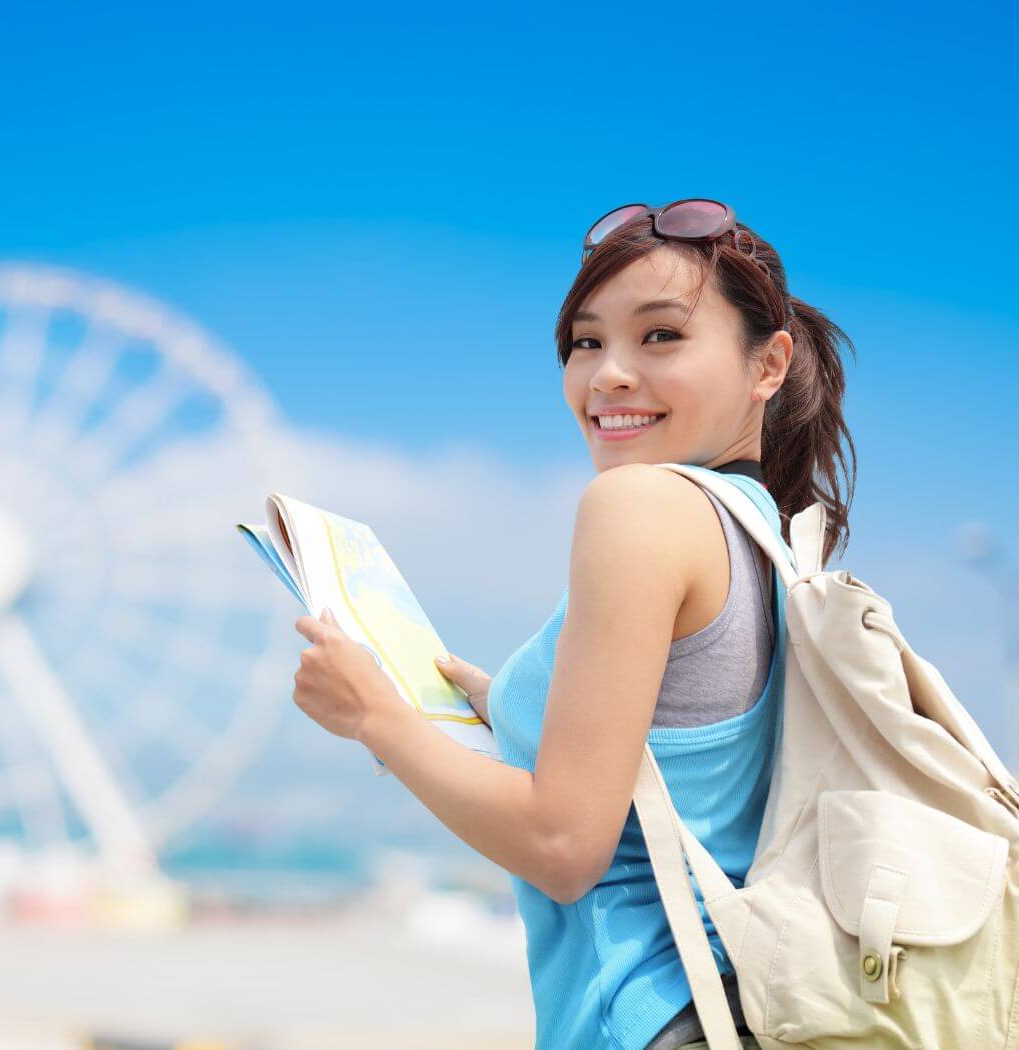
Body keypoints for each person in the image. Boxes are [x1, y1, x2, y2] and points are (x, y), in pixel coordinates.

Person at [290, 198, 856, 1049]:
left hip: (644, 1016)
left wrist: (377, 717)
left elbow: (562, 846)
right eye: (586, 342)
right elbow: (684, 763)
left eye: (660, 336)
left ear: (768, 364)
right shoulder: (766, 533)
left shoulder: (638, 508)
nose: (610, 375)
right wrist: (508, 709)